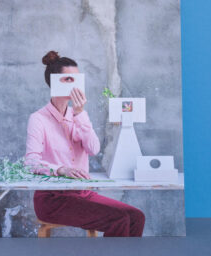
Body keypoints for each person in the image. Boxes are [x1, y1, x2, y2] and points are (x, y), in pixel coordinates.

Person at [25, 50, 146, 237]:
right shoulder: (38, 119)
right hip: (53, 200)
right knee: (120, 219)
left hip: (83, 193)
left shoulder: (79, 115)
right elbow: (31, 162)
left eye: (77, 79)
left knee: (136, 216)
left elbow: (94, 149)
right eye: (68, 79)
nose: (75, 85)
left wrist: (79, 113)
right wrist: (61, 169)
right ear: (54, 82)